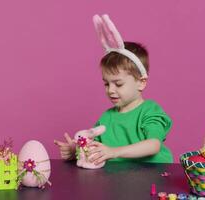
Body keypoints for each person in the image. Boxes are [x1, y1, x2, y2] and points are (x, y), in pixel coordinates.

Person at [54, 14, 173, 164]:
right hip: (117, 181)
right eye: (106, 84)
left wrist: (114, 152)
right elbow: (96, 149)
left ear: (141, 82)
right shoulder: (106, 118)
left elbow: (153, 145)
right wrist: (76, 150)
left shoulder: (150, 111)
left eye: (118, 84)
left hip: (152, 178)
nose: (110, 90)